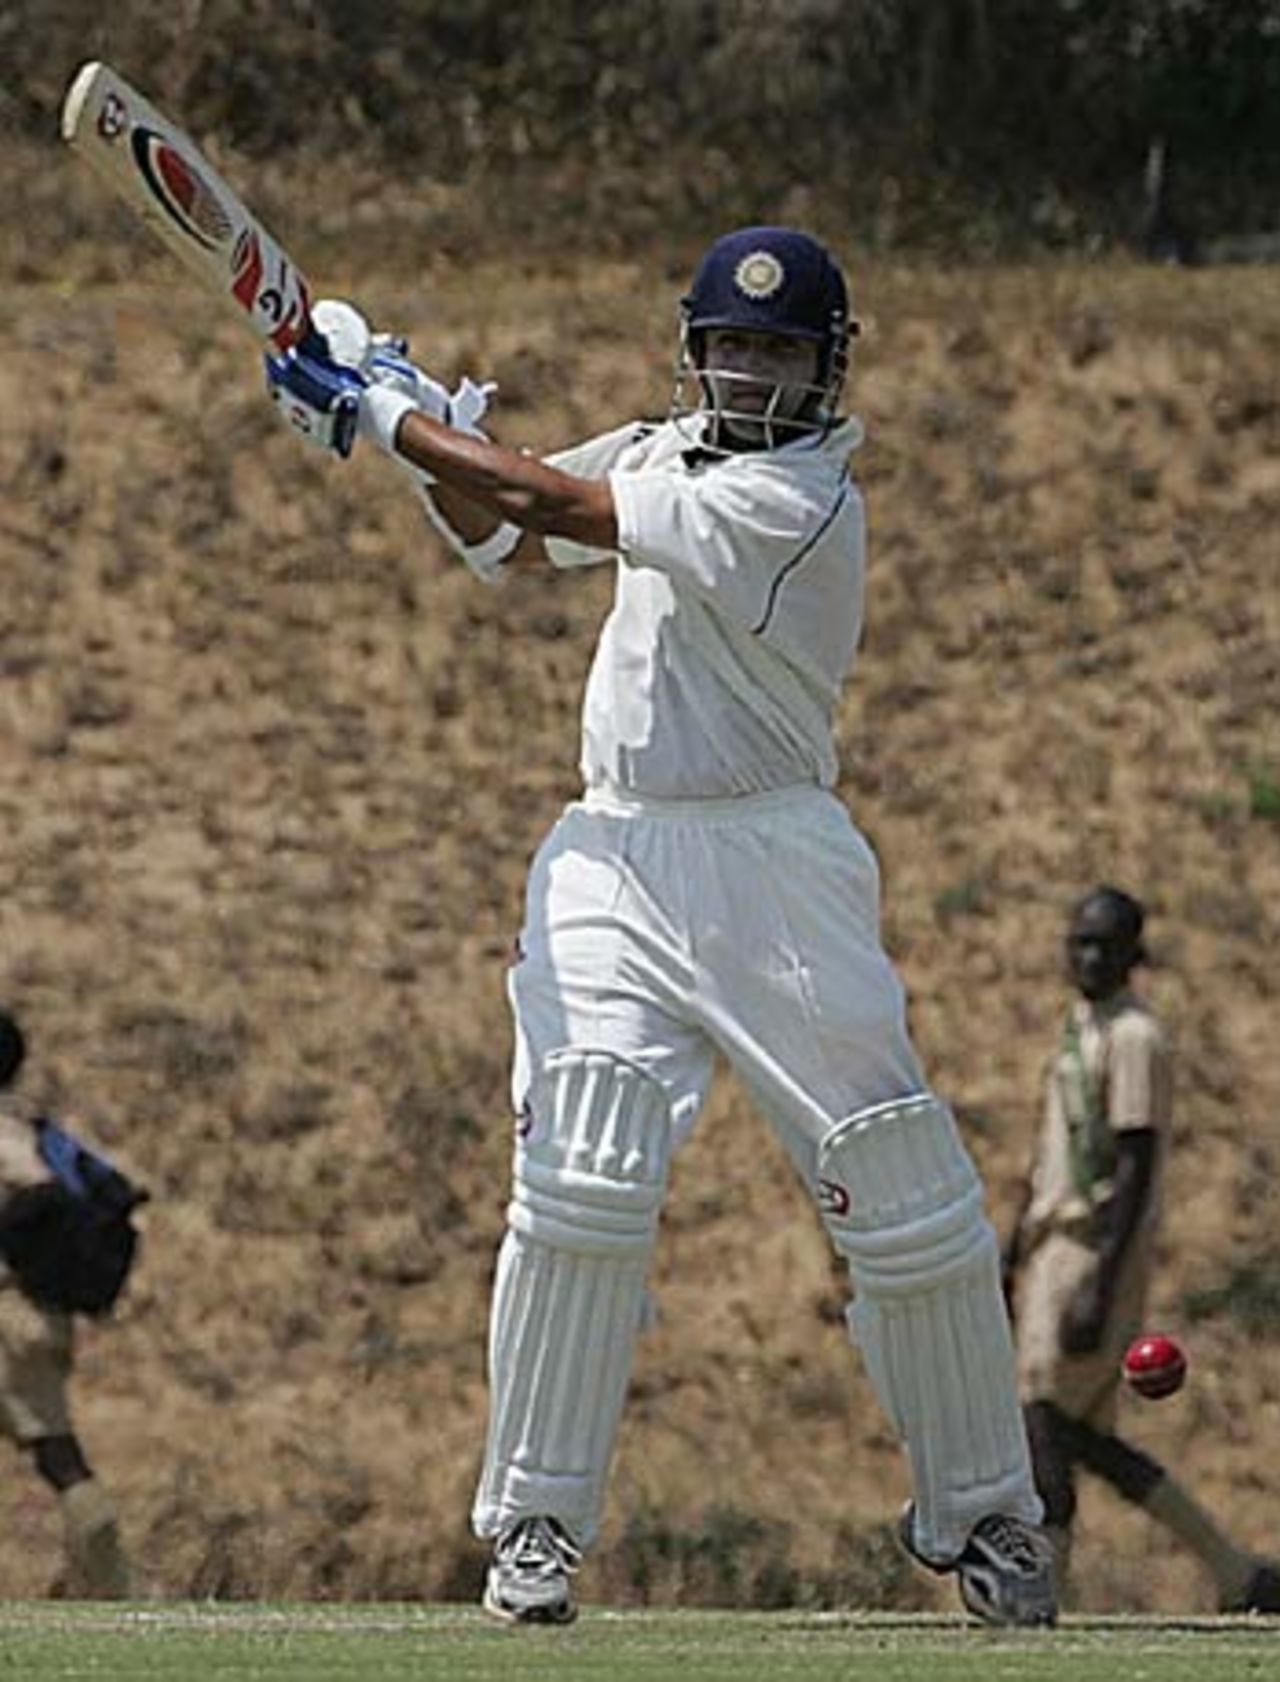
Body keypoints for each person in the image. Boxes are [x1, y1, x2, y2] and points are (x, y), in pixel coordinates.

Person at [265, 225, 1056, 1627]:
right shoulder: (660, 445)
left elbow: (560, 509)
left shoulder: (805, 499)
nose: (749, 374)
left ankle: (990, 1515)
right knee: (579, 1171)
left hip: (776, 859)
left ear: (826, 371)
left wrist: (381, 413)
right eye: (731, 346)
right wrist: (406, 421)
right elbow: (502, 532)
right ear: (693, 350)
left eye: (778, 353)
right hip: (614, 849)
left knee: (904, 1193)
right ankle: (535, 1532)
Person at [1003, 886, 1280, 1612]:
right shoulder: (1079, 1026)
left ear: (1134, 954)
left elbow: (1135, 1162)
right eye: (1079, 941)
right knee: (1081, 1438)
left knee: (1041, 1422)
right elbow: (1051, 1152)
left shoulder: (1135, 1037)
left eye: (1104, 944)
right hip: (1051, 1246)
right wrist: (1011, 1249)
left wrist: (1102, 1279)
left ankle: (1045, 1596)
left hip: (1091, 1248)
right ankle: (1239, 1575)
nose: (1088, 956)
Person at [0, 1009, 144, 1598]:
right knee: (57, 1452)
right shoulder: (31, 1127)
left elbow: (38, 1193)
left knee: (56, 1453)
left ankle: (105, 1582)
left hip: (5, 1308)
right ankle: (107, 1581)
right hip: (33, 1316)